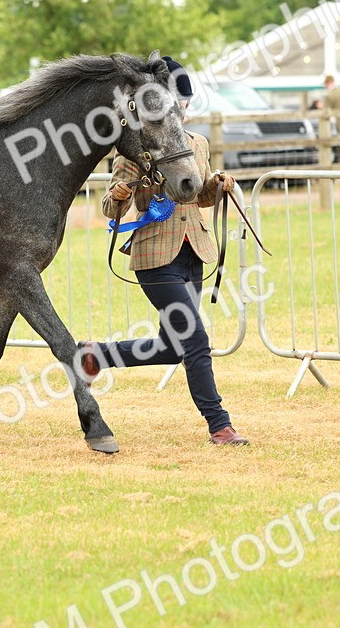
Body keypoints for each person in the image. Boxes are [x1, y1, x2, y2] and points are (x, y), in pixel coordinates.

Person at [81, 69, 249, 447]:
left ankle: (96, 356)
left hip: (195, 250)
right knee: (196, 339)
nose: (184, 108)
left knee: (175, 346)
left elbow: (198, 196)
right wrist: (123, 192)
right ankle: (219, 423)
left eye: (187, 101)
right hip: (156, 255)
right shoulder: (136, 148)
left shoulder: (197, 144)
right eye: (178, 101)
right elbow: (109, 206)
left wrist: (218, 187)